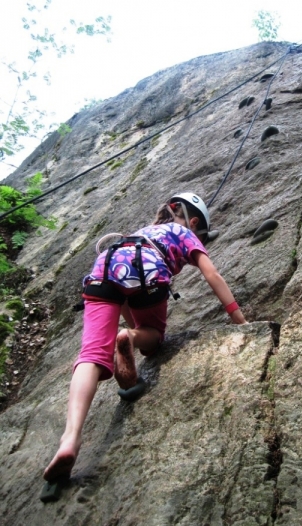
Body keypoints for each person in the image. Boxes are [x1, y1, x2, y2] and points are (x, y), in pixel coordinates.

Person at [43, 192, 247, 483]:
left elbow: (125, 296)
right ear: (194, 221)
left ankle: (70, 439)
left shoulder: (140, 232)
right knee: (153, 338)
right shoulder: (183, 232)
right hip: (147, 267)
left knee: (90, 355)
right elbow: (211, 274)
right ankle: (131, 337)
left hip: (106, 264)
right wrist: (239, 319)